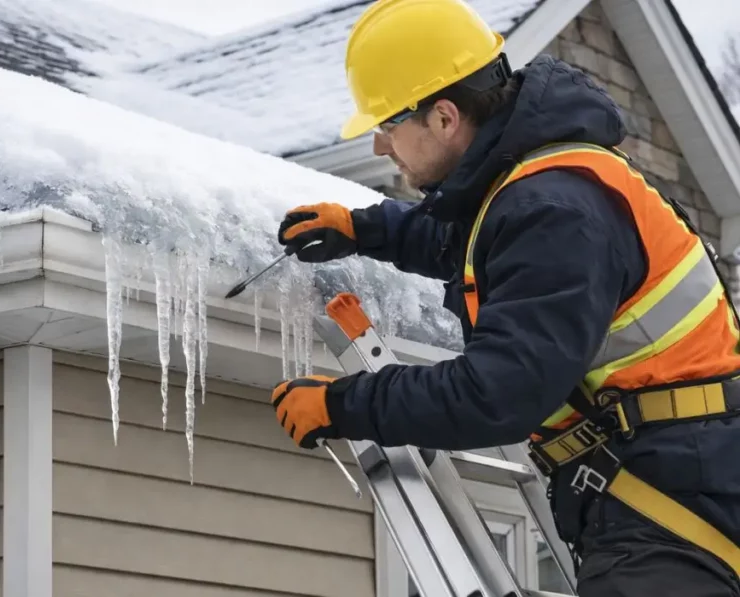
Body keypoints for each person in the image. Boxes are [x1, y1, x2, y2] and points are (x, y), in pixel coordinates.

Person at [270, 0, 740, 595]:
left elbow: (496, 393)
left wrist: (345, 406)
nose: (380, 148)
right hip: (671, 484)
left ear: (442, 117)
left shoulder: (552, 211)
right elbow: (474, 243)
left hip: (672, 509)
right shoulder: (542, 184)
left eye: (388, 125)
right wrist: (366, 229)